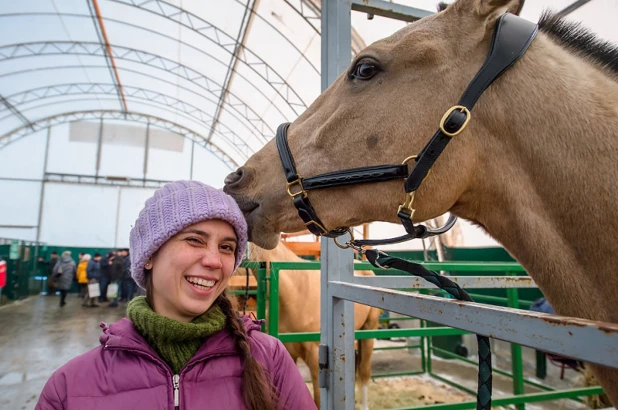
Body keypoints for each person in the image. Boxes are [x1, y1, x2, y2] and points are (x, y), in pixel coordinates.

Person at [35, 181, 315, 409]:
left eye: (227, 248)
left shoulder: (270, 359)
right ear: (148, 255)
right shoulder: (69, 388)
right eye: (195, 240)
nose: (214, 261)